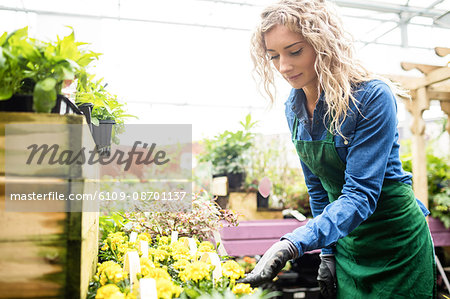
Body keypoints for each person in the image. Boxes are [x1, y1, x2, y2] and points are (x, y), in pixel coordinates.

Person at [238, 0, 436, 298]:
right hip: (347, 243)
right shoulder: (294, 108)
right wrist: (327, 252)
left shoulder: (371, 97)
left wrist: (293, 243)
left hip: (395, 242)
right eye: (273, 56)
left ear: (324, 44)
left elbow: (360, 195)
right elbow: (319, 190)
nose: (284, 67)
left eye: (294, 51)